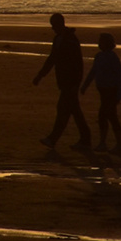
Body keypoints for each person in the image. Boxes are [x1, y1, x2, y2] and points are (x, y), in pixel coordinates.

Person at [32, 13, 91, 148]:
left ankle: (54, 138)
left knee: (65, 109)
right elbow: (52, 58)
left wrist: (76, 83)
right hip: (65, 81)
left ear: (60, 24)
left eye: (54, 25)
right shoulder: (59, 38)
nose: (52, 28)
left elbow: (77, 63)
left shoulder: (70, 40)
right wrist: (41, 75)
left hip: (70, 82)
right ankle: (85, 138)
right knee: (73, 110)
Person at [81, 31, 121, 154]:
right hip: (103, 91)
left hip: (111, 91)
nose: (99, 44)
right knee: (106, 116)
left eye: (101, 42)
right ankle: (107, 143)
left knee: (108, 116)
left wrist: (119, 94)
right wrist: (85, 85)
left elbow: (119, 76)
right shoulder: (99, 56)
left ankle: (115, 144)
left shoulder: (113, 57)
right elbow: (93, 72)